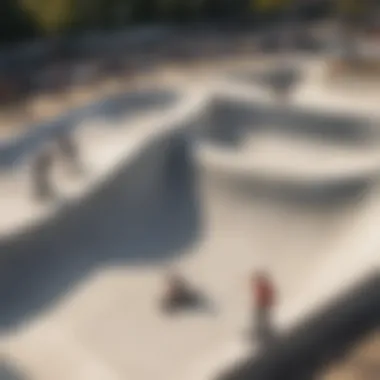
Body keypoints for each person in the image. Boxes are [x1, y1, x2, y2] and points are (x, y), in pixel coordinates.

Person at [250, 271, 276, 345]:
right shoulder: (263, 286)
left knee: (263, 320)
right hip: (261, 306)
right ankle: (261, 334)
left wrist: (267, 303)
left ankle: (263, 334)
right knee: (261, 320)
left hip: (263, 306)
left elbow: (268, 295)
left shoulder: (263, 286)